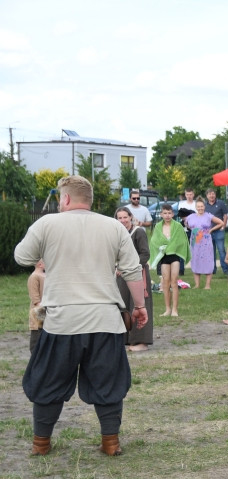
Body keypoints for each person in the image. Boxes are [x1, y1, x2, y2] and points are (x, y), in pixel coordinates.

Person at [14, 175, 149, 457]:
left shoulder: (47, 223)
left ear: (64, 199)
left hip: (62, 322)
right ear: (89, 199)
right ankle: (110, 442)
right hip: (106, 321)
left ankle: (41, 443)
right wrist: (139, 306)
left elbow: (22, 256)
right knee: (108, 382)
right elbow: (133, 269)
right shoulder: (114, 226)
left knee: (47, 381)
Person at [114, 207, 154, 352]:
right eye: (120, 218)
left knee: (138, 305)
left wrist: (130, 267)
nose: (123, 220)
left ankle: (141, 341)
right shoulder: (117, 234)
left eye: (125, 217)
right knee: (123, 306)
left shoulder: (138, 232)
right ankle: (125, 339)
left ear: (131, 217)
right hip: (122, 275)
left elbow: (145, 254)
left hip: (138, 274)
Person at [148, 203, 189, 317]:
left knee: (174, 281)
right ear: (161, 214)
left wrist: (172, 246)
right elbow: (154, 241)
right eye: (165, 213)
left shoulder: (177, 226)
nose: (167, 215)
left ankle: (175, 309)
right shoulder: (158, 227)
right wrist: (162, 246)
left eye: (169, 213)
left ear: (173, 214)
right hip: (164, 256)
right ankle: (167, 309)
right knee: (165, 282)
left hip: (174, 256)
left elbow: (182, 240)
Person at [185, 198, 223, 290]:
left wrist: (211, 230)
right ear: (196, 207)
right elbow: (186, 224)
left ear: (204, 207)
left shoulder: (208, 216)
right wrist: (194, 231)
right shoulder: (191, 217)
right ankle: (197, 284)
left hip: (206, 242)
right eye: (198, 206)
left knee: (208, 260)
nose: (200, 208)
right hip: (195, 242)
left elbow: (221, 223)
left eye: (202, 206)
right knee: (195, 260)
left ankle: (207, 285)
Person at [205, 189, 228, 274]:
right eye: (209, 194)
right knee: (211, 251)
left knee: (221, 250)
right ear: (207, 196)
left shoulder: (221, 203)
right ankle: (213, 269)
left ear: (215, 195)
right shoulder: (205, 205)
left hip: (219, 230)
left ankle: (225, 269)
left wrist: (224, 225)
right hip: (209, 231)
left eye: (213, 194)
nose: (211, 196)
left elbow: (225, 215)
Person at [27, 260, 45, 354]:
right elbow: (34, 297)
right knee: (37, 336)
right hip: (38, 312)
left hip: (46, 310)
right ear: (40, 264)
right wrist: (39, 305)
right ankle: (35, 362)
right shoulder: (34, 276)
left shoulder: (45, 276)